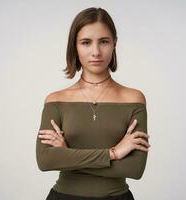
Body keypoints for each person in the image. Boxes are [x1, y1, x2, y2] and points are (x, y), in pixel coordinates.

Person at [36, 7, 151, 200]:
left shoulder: (133, 99)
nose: (96, 52)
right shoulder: (55, 100)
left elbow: (135, 168)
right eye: (86, 42)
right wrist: (113, 154)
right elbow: (46, 161)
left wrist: (68, 156)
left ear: (114, 43)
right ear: (75, 46)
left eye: (104, 42)